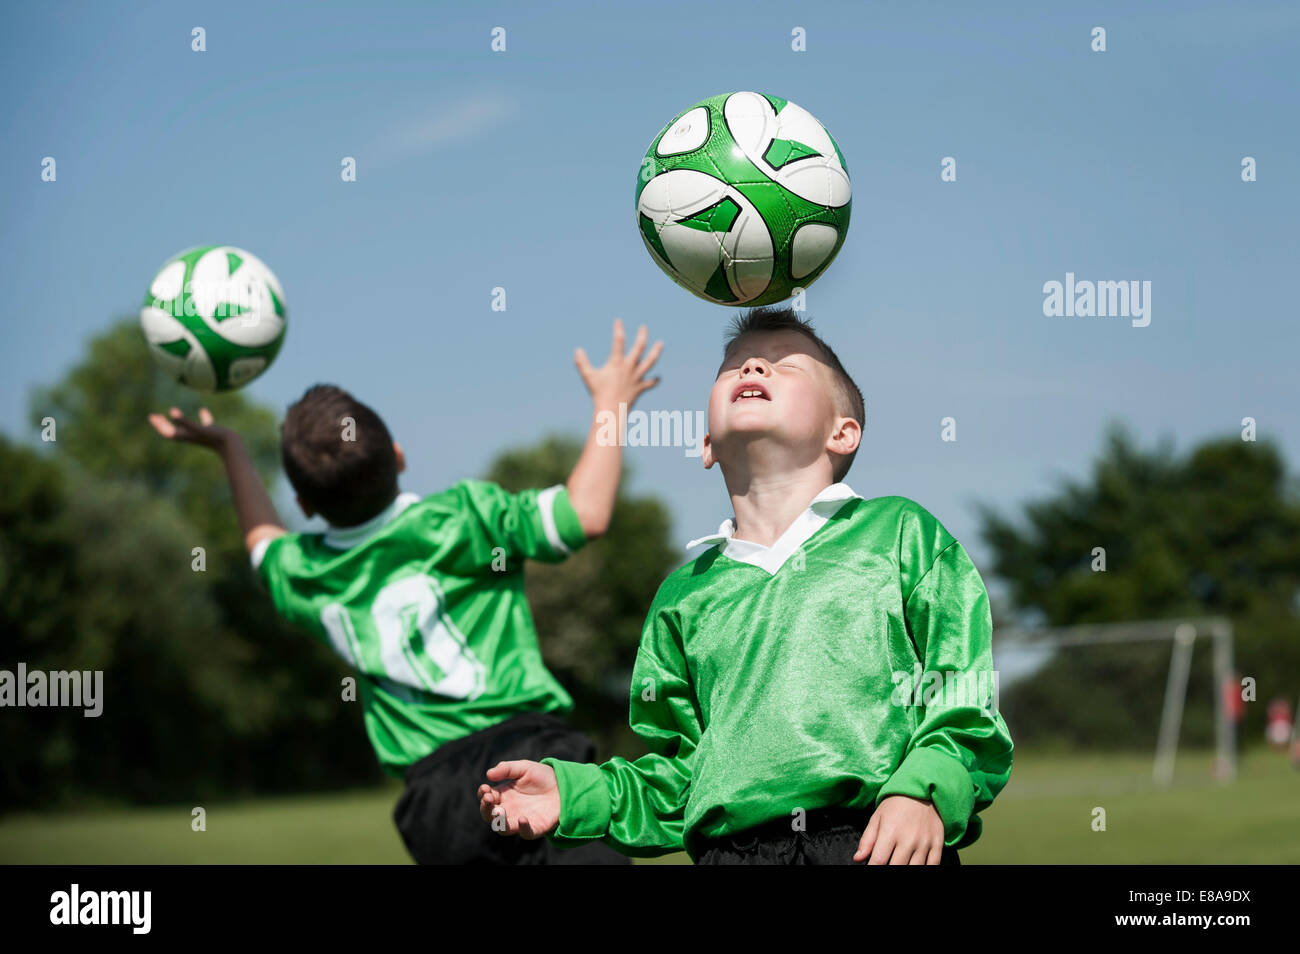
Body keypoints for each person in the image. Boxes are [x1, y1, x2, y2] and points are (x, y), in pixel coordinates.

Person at [479, 305, 1014, 865]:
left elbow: (961, 696)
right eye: (732, 365)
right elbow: (679, 776)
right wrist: (577, 793)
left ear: (844, 431)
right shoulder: (683, 595)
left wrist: (926, 787)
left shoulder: (902, 534)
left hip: (876, 842)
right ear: (707, 443)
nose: (753, 366)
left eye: (784, 363)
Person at [150, 319, 661, 865]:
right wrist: (611, 401)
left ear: (303, 503)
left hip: (438, 803)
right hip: (530, 757)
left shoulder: (305, 573)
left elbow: (262, 541)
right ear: (397, 455)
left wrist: (231, 450)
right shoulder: (465, 517)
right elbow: (586, 513)